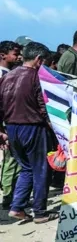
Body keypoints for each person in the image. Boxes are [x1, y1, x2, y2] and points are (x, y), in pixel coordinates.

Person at [0, 42, 56, 223]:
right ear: (39, 59)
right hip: (32, 127)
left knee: (27, 168)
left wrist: (1, 131)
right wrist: (56, 128)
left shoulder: (7, 76)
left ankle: (17, 207)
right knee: (41, 169)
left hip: (12, 128)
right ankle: (40, 212)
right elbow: (43, 106)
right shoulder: (36, 77)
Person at [0, 41, 22, 210]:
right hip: (6, 124)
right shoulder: (2, 75)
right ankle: (8, 196)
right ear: (3, 55)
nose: (18, 57)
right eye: (15, 54)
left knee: (16, 160)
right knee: (10, 161)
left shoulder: (10, 73)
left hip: (11, 122)